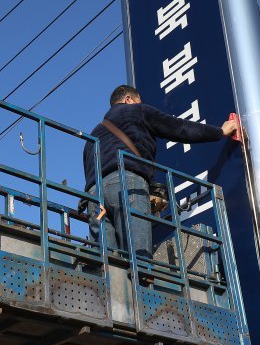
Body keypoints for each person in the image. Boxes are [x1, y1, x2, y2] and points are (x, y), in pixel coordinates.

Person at [83, 84, 238, 260]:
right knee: (139, 261)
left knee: (108, 265)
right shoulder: (136, 112)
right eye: (138, 101)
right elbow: (179, 128)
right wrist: (219, 132)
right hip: (127, 183)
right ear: (128, 99)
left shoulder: (94, 134)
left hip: (94, 197)